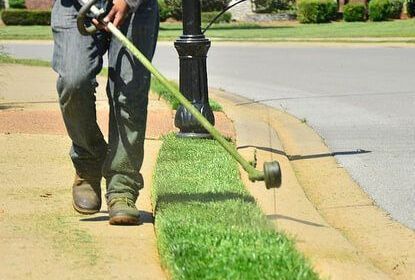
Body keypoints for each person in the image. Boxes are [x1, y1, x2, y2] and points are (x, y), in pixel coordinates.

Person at [51, 0, 159, 225]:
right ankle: (88, 162)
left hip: (136, 10)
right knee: (73, 81)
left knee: (129, 95)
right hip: (74, 6)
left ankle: (122, 185)